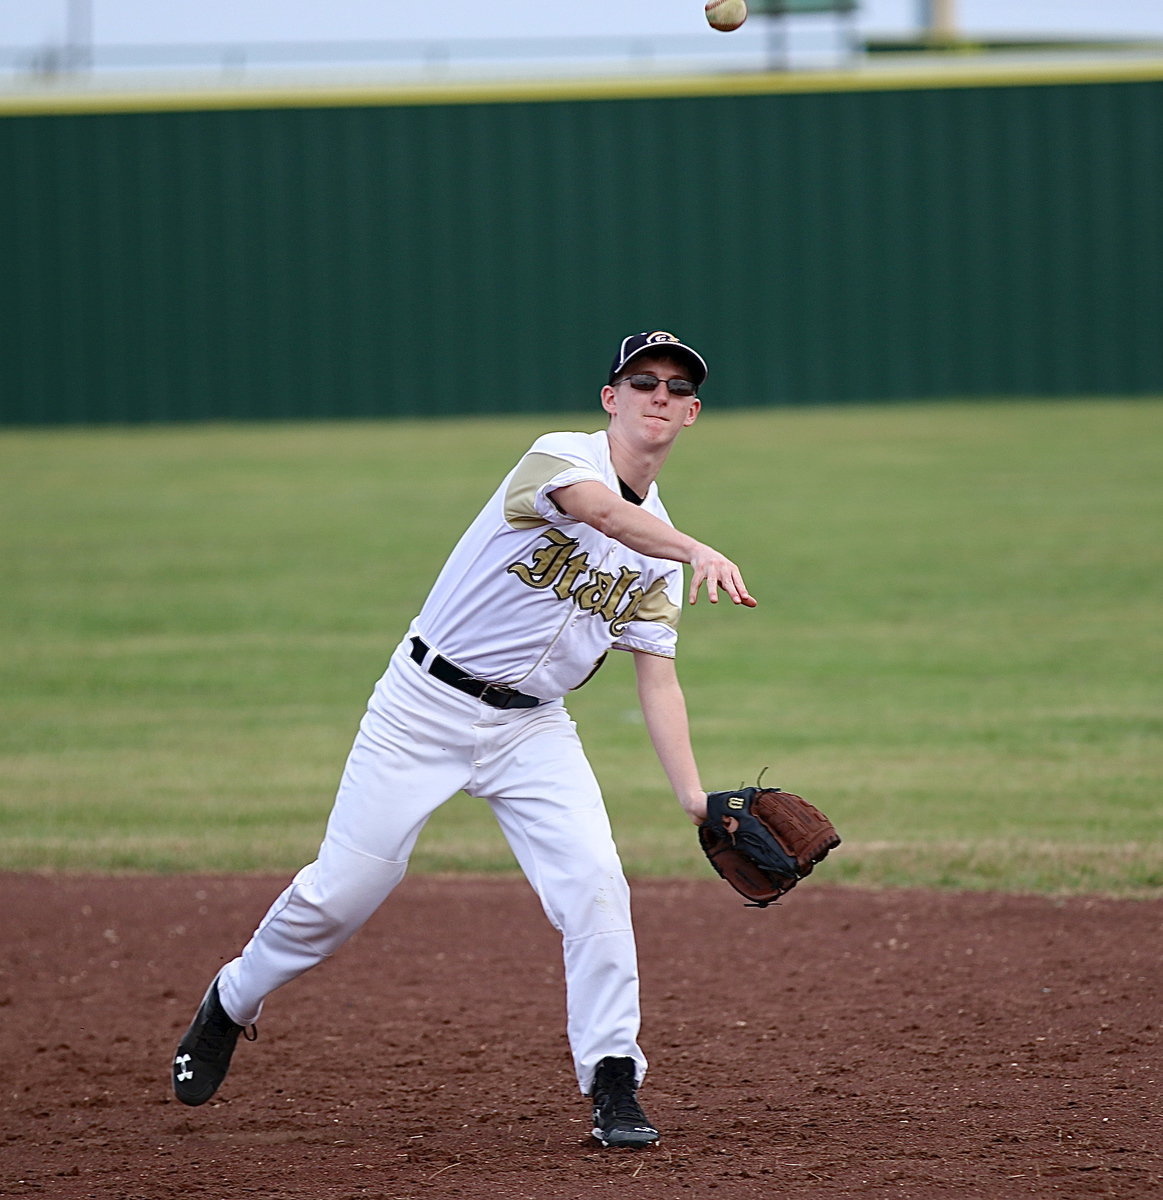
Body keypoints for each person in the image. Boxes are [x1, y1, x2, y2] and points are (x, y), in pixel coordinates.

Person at [171, 330, 756, 1148]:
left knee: (594, 884)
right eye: (642, 380)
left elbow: (656, 677)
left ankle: (613, 1080)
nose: (659, 395)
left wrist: (692, 797)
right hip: (422, 707)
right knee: (343, 895)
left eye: (677, 387)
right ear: (610, 398)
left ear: (691, 414)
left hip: (532, 728)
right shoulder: (561, 458)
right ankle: (232, 998)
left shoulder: (658, 557)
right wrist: (695, 547)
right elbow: (599, 513)